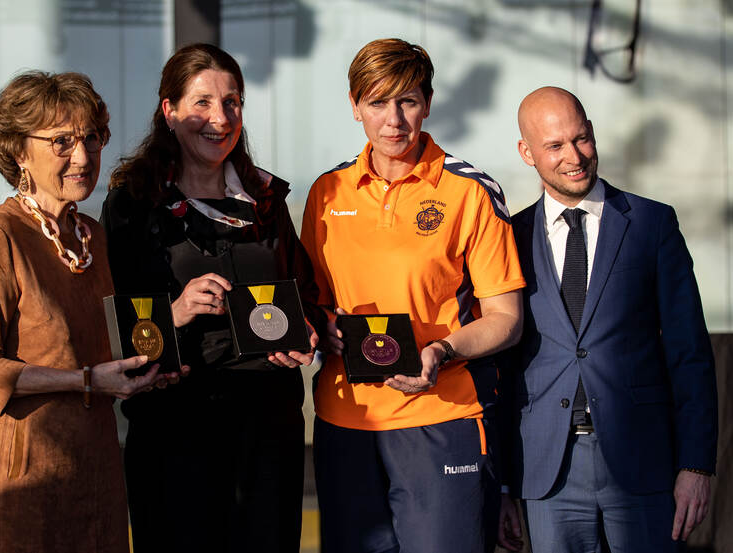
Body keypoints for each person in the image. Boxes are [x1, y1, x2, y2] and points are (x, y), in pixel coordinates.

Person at [299, 38, 525, 553]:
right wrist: (320, 322)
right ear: (355, 106)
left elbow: (506, 317)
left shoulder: (470, 191)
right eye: (377, 102)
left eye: (407, 101)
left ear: (427, 102)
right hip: (344, 421)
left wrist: (442, 350)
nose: (394, 119)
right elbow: (310, 300)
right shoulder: (326, 192)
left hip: (440, 418)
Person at [101, 43, 322, 553]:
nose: (219, 118)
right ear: (169, 110)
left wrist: (305, 330)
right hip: (175, 422)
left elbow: (304, 291)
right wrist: (174, 311)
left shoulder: (266, 199)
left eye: (232, 102)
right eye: (201, 102)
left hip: (267, 421)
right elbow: (112, 321)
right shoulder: (134, 203)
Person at [0, 71, 169, 553]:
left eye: (92, 137)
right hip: (23, 474)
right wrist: (86, 381)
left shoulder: (92, 234)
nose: (84, 157)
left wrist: (146, 368)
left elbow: (103, 342)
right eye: (62, 141)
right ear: (18, 150)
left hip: (95, 465)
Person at [498, 86, 718, 552]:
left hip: (644, 465)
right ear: (526, 152)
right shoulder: (508, 239)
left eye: (581, 139)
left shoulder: (652, 224)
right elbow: (501, 370)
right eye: (554, 146)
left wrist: (697, 465)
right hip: (545, 473)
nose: (573, 156)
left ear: (593, 134)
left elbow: (690, 353)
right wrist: (501, 487)